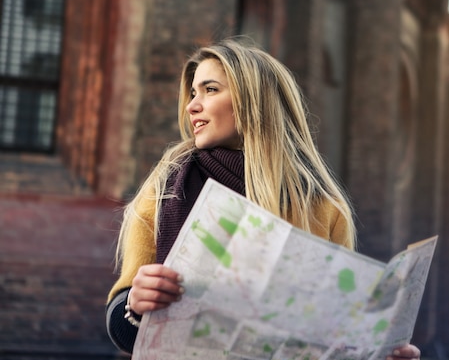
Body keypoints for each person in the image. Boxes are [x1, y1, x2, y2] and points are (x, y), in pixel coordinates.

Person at [105, 39, 421, 360]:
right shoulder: (166, 190)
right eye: (193, 93)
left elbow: (334, 341)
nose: (192, 105)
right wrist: (135, 305)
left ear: (252, 101)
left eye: (210, 90)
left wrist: (378, 354)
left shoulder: (322, 209)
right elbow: (121, 328)